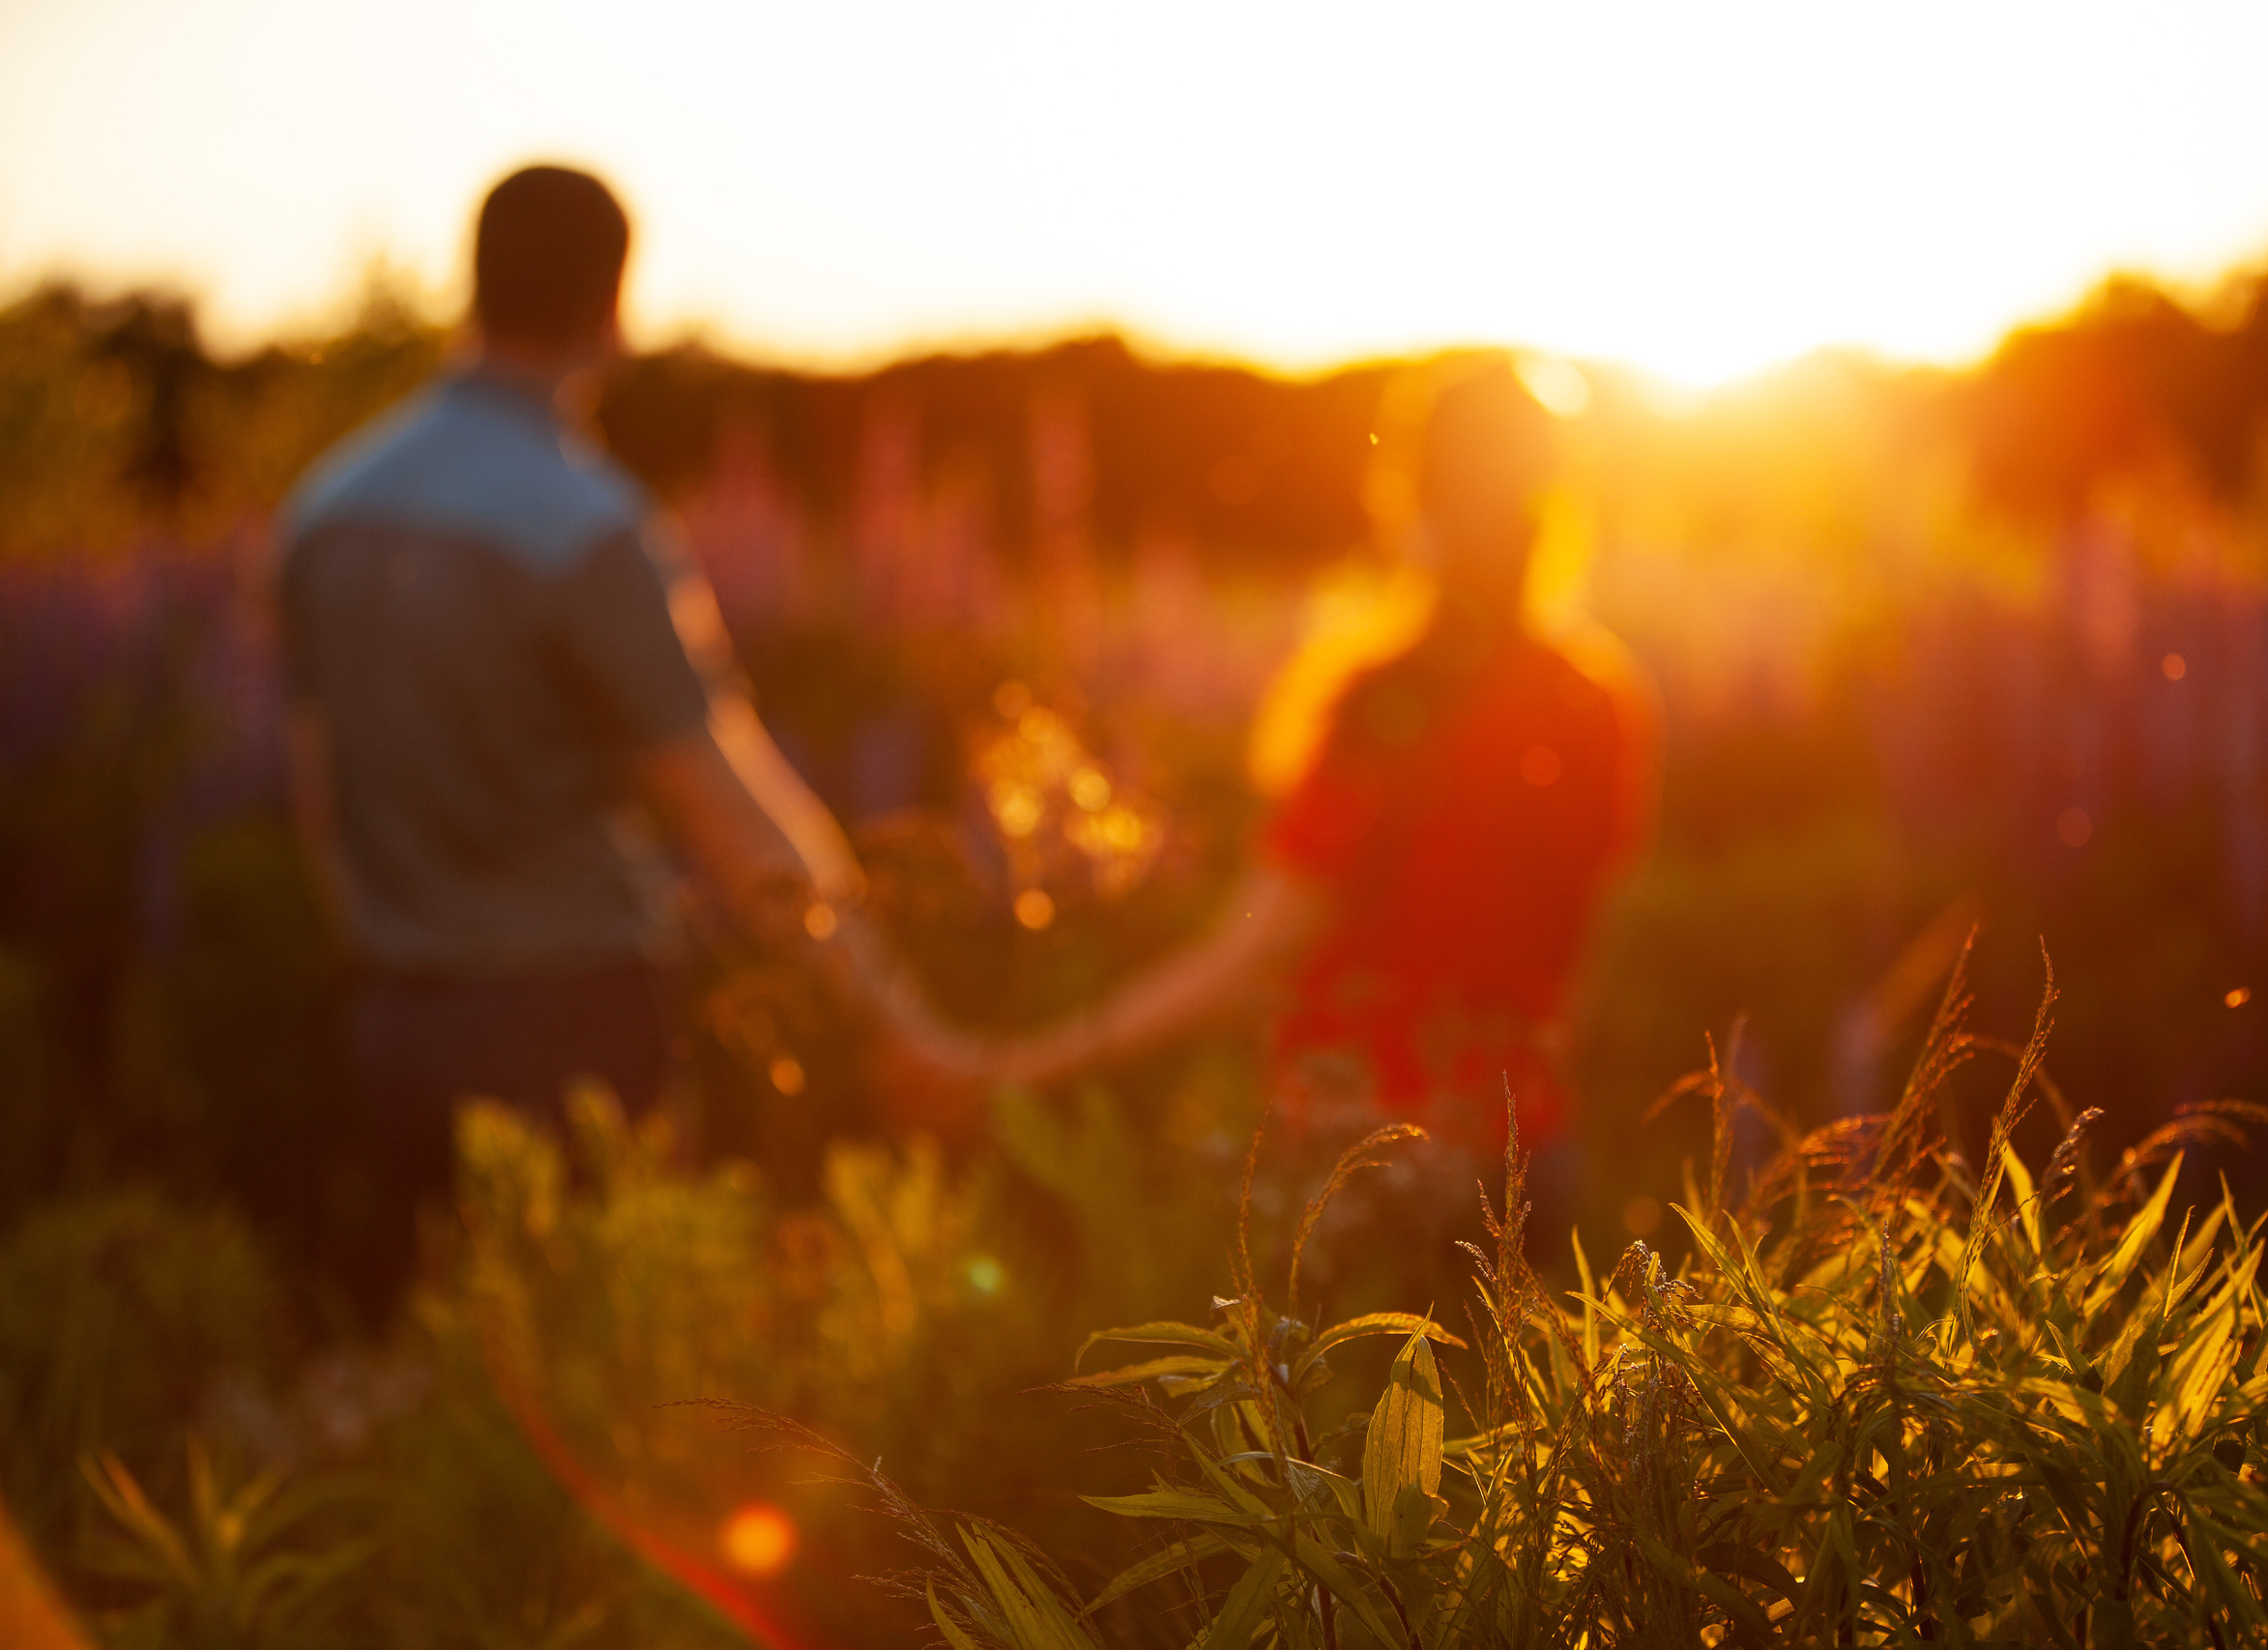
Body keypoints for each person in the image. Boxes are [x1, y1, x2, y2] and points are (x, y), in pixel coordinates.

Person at [276, 165, 958, 1320]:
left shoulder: (328, 506)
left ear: (475, 285)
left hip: (393, 1025)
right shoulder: (587, 528)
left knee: (451, 1360)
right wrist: (894, 1016)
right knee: (624, 1365)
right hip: (571, 1029)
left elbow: (319, 797)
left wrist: (390, 963)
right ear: (612, 309)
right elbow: (732, 820)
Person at [982, 362, 1657, 1248]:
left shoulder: (1386, 705)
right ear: (1558, 500)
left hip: (1360, 1164)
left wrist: (1021, 1064)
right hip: (1532, 1162)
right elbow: (1576, 967)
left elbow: (1251, 953)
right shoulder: (1600, 702)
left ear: (1412, 500)